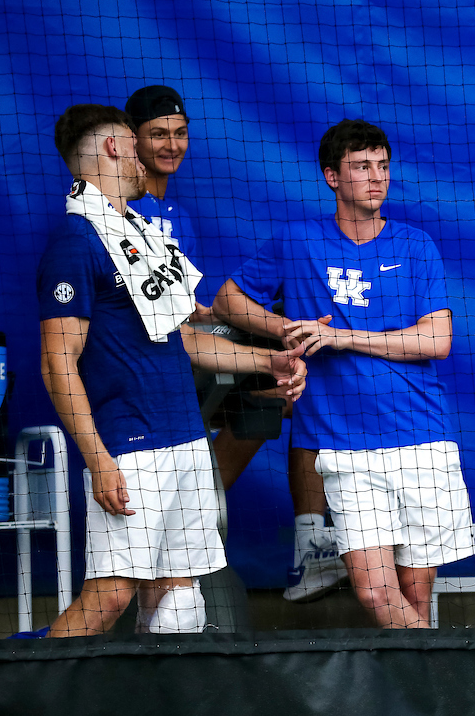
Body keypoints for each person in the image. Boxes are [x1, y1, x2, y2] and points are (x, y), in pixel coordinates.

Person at [38, 104, 306, 636]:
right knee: (110, 596)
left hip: (185, 440)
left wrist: (268, 360)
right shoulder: (76, 241)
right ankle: (24, 692)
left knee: (181, 604)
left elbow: (184, 340)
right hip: (130, 446)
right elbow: (56, 362)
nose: (149, 159)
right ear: (117, 146)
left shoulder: (137, 237)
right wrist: (100, 459)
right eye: (139, 145)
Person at [213, 119, 475, 628]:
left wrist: (342, 337)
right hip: (342, 447)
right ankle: (448, 687)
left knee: (416, 601)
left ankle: (427, 697)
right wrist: (289, 327)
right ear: (332, 176)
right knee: (377, 595)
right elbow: (226, 299)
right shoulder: (297, 241)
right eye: (360, 167)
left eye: (382, 166)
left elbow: (436, 340)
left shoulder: (416, 245)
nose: (376, 178)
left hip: (422, 440)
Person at [125, 85, 346, 603]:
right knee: (277, 377)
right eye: (158, 134)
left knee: (284, 389)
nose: (171, 145)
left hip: (188, 343)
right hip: (146, 358)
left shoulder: (175, 211)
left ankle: (307, 540)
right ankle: (193, 522)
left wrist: (268, 325)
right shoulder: (118, 207)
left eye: (179, 134)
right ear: (128, 139)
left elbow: (193, 302)